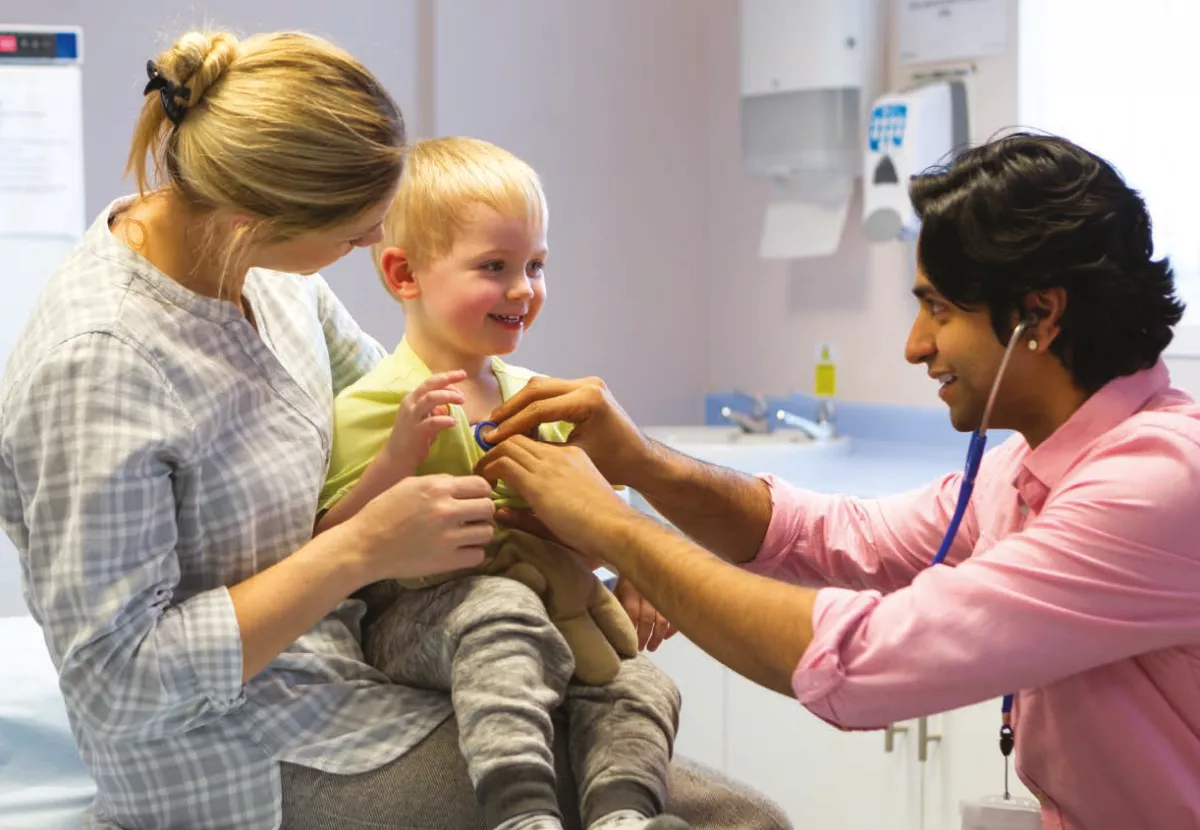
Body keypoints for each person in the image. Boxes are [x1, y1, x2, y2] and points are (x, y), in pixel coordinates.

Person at [0, 29, 790, 830]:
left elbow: (409, 411)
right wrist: (357, 549)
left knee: (743, 813)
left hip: (365, 685)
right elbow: (116, 683)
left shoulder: (270, 283)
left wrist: (608, 532)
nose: (378, 246)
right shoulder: (97, 363)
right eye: (355, 234)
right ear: (254, 218)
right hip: (232, 757)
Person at [475, 132, 1200, 830]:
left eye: (940, 308)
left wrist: (616, 529)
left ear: (1037, 315)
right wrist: (641, 463)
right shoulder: (1027, 468)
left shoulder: (1154, 487)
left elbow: (862, 659)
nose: (916, 346)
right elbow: (831, 535)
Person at [315, 135, 688, 830]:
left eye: (536, 265)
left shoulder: (539, 401)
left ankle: (621, 814)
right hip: (418, 621)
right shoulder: (371, 405)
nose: (524, 290)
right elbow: (328, 547)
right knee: (497, 612)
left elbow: (600, 515)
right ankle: (521, 813)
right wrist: (398, 458)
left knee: (642, 680)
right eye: (495, 267)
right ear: (404, 274)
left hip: (557, 613)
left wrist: (638, 572)